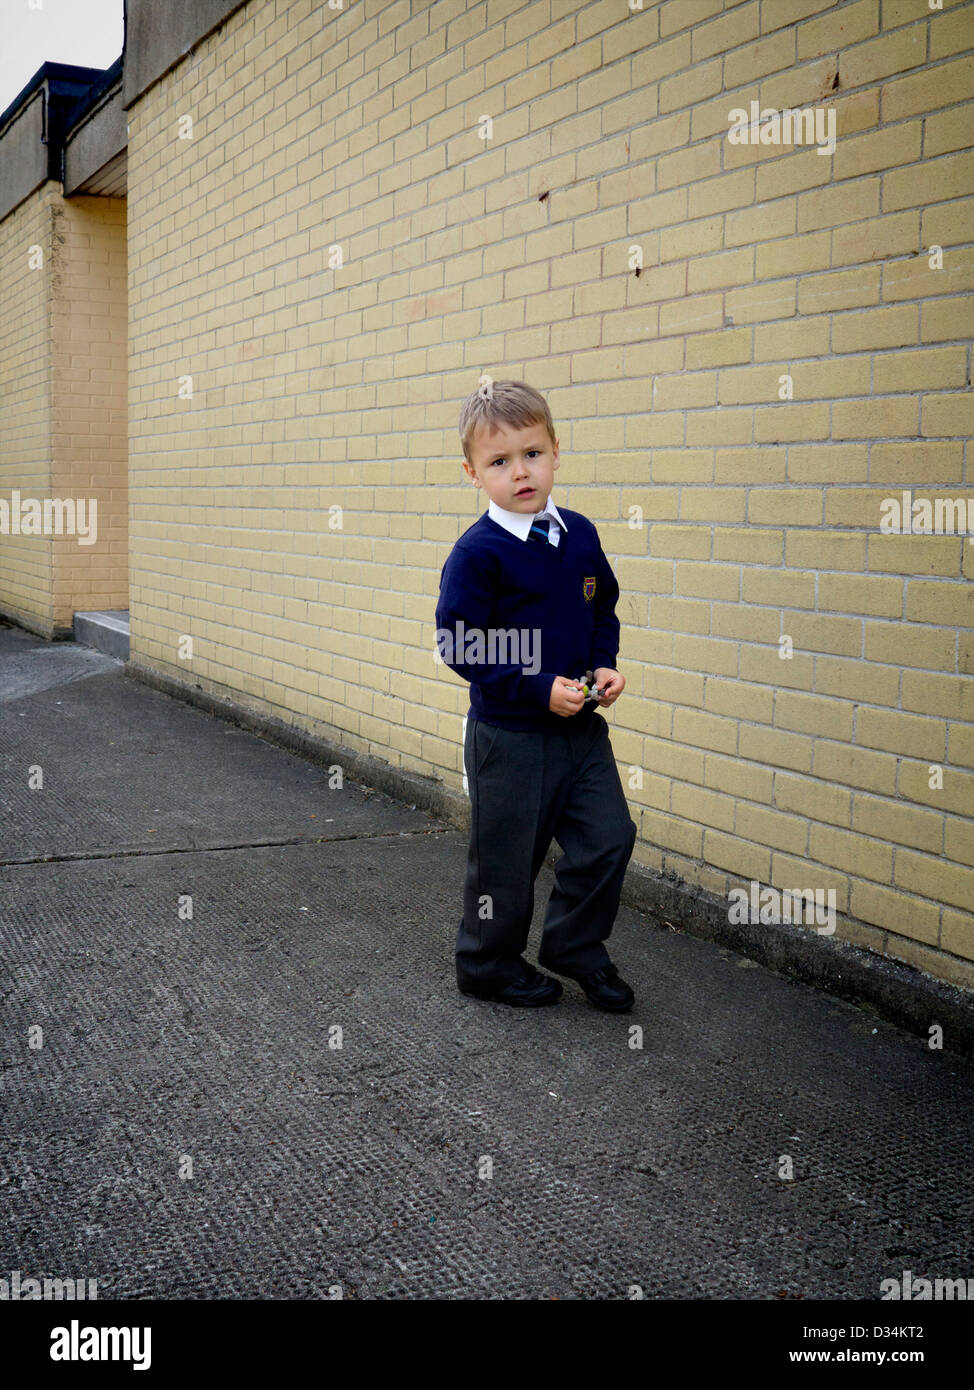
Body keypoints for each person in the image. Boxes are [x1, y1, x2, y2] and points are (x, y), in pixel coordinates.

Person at [435, 379, 639, 1011]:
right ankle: (487, 963)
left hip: (581, 732)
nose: (519, 472)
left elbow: (602, 605)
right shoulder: (478, 555)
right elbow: (461, 645)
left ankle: (575, 944)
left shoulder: (579, 533)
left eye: (531, 454)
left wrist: (603, 665)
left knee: (610, 837)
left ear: (556, 451)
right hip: (510, 737)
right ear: (473, 472)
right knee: (506, 861)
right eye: (499, 462)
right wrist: (534, 688)